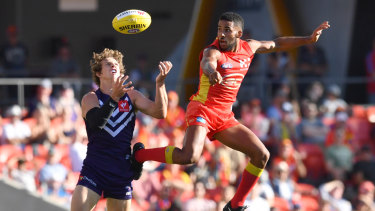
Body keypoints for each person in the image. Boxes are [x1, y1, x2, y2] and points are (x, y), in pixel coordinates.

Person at [131, 12, 330, 210]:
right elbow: (207, 62)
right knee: (189, 157)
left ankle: (236, 205)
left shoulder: (249, 47)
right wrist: (211, 71)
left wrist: (308, 39)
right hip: (203, 108)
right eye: (219, 29)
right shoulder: (213, 52)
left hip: (225, 116)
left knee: (262, 155)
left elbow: (277, 44)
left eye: (227, 30)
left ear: (239, 33)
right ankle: (139, 156)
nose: (221, 34)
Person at [70, 48, 172, 211]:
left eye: (116, 63)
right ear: (98, 73)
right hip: (95, 168)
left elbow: (160, 112)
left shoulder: (132, 96)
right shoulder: (90, 98)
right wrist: (114, 98)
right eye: (108, 64)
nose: (114, 66)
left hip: (121, 171)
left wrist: (160, 84)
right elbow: (96, 124)